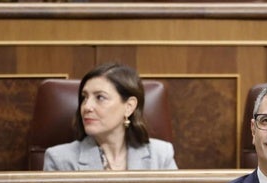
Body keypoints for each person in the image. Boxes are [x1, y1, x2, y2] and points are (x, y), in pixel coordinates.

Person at [43, 62, 177, 171]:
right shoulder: (59, 160)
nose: (87, 107)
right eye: (84, 97)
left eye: (100, 97)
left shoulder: (160, 155)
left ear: (129, 107)